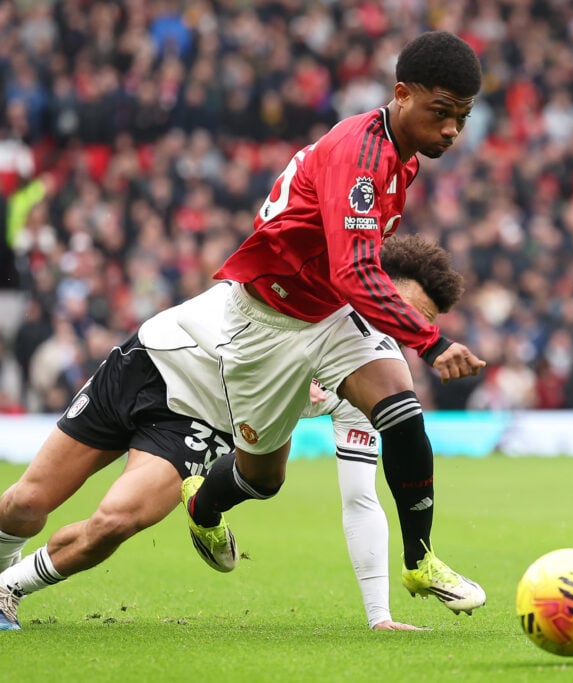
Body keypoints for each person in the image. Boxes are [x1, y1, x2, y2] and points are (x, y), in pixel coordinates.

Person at [0, 236, 480, 630]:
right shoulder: (313, 282)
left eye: (414, 328)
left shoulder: (371, 374)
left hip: (195, 425)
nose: (397, 329)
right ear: (376, 284)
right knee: (27, 503)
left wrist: (379, 616)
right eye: (399, 310)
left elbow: (361, 499)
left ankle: (7, 590)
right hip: (149, 362)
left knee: (116, 521)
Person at [153, 31, 486, 611]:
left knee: (402, 412)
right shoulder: (362, 157)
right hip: (266, 319)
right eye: (441, 113)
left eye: (462, 116)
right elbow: (357, 271)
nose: (452, 130)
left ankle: (419, 561)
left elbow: (351, 275)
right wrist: (429, 343)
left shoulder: (400, 156)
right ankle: (203, 506)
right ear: (402, 94)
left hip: (328, 310)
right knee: (262, 478)